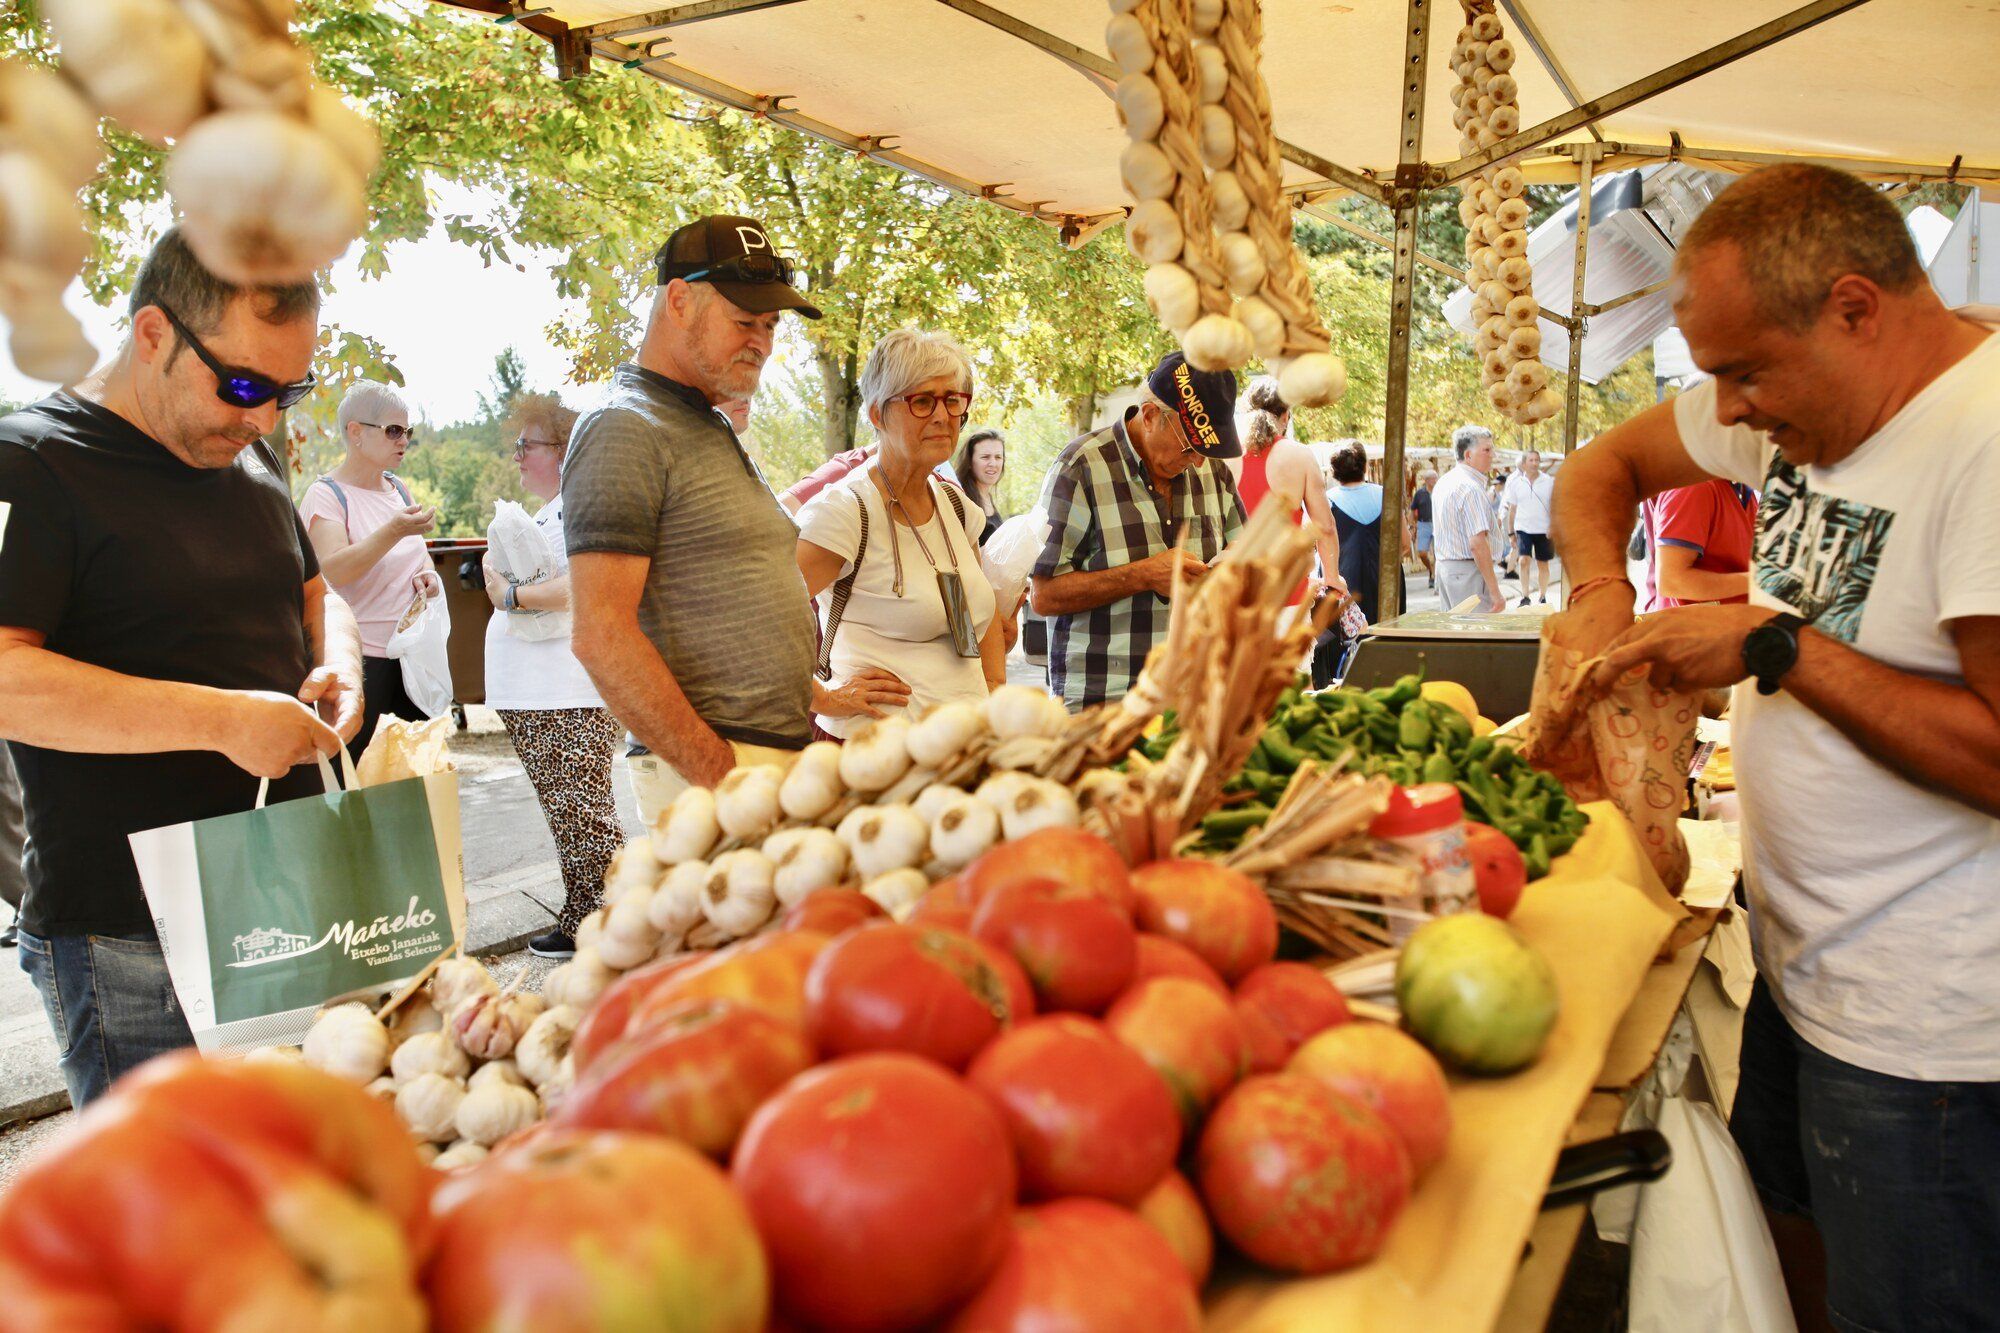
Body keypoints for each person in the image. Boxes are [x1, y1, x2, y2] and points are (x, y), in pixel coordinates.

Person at [1549, 164, 2000, 1333]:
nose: (1730, 412)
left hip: (1934, 1037)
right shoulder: (1794, 404)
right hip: (1802, 970)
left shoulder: (1982, 442)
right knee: (1793, 1271)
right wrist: (1601, 587)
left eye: (1746, 373)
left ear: (1855, 307)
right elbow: (1597, 468)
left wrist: (1771, 644)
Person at [0, 228, 360, 1107]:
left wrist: (341, 663)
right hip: (131, 940)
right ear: (154, 333)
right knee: (170, 1221)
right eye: (242, 384)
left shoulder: (248, 449)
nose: (265, 417)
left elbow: (317, 596)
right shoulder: (31, 461)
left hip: (290, 900)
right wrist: (224, 720)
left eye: (289, 390)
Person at [563, 215, 823, 825]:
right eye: (744, 321)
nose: (762, 341)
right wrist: (723, 778)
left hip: (762, 762)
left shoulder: (701, 421)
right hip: (714, 776)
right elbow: (600, 635)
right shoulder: (625, 427)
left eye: (771, 324)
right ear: (679, 300)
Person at [796, 331, 1004, 736]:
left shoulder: (957, 508)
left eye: (953, 399)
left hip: (961, 755)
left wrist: (994, 688)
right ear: (877, 415)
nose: (944, 416)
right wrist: (825, 698)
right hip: (876, 764)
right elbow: (756, 626)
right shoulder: (844, 512)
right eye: (922, 401)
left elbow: (985, 613)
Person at [482, 392, 623, 959]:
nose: (517, 456)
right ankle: (584, 916)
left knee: (584, 814)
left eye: (527, 445)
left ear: (564, 450)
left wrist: (510, 594)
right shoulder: (554, 509)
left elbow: (590, 584)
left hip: (566, 689)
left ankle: (607, 925)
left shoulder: (588, 502)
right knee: (569, 814)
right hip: (539, 692)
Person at [1030, 352, 1245, 709]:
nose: (1197, 461)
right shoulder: (1081, 466)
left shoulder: (1213, 473)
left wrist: (1232, 571)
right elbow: (1044, 595)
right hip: (1103, 703)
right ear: (1150, 417)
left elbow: (1246, 553)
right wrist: (1143, 575)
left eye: (1205, 450)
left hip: (1194, 697)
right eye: (1191, 446)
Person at [298, 380, 440, 760]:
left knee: (413, 776)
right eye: (394, 430)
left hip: (411, 658)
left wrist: (427, 573)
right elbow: (334, 570)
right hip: (361, 662)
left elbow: (416, 554)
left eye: (407, 431)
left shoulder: (399, 488)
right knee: (358, 775)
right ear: (355, 432)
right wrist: (394, 529)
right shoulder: (327, 495)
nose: (403, 440)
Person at [1235, 377, 1341, 605]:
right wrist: (1332, 577)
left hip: (1236, 598)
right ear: (1285, 415)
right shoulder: (1299, 455)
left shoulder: (1225, 456)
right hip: (1288, 594)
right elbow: (1325, 526)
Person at [1642, 480, 1759, 609]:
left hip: (1738, 620)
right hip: (1700, 625)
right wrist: (1760, 581)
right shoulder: (1692, 488)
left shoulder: (1744, 491)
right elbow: (1672, 581)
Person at [1431, 427, 1506, 613]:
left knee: (1456, 636)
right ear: (1468, 455)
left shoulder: (1444, 482)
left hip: (1448, 570)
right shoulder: (1470, 488)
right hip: (1467, 574)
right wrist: (1496, 592)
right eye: (1486, 450)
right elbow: (1477, 543)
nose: (1492, 455)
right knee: (1475, 637)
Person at [1502, 449, 1557, 605]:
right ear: (1524, 464)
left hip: (1544, 529)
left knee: (1542, 563)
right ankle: (1525, 596)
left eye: (1537, 460)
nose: (1534, 463)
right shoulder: (1516, 483)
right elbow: (1512, 509)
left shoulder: (1548, 481)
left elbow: (1555, 505)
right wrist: (1511, 532)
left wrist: (1553, 525)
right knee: (1523, 560)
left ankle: (1542, 595)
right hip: (1523, 528)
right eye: (1531, 460)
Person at [952, 426, 1009, 544]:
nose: (993, 463)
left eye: (998, 457)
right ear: (969, 462)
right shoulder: (960, 500)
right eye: (985, 457)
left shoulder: (988, 497)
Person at [1410, 469, 1437, 587]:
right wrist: (1411, 526)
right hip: (1423, 524)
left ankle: (1434, 577)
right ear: (1426, 480)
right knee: (1422, 553)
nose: (1434, 481)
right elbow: (1412, 510)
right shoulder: (1420, 494)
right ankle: (1431, 569)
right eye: (1432, 478)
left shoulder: (1440, 491)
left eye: (1435, 478)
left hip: (1437, 524)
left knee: (1438, 553)